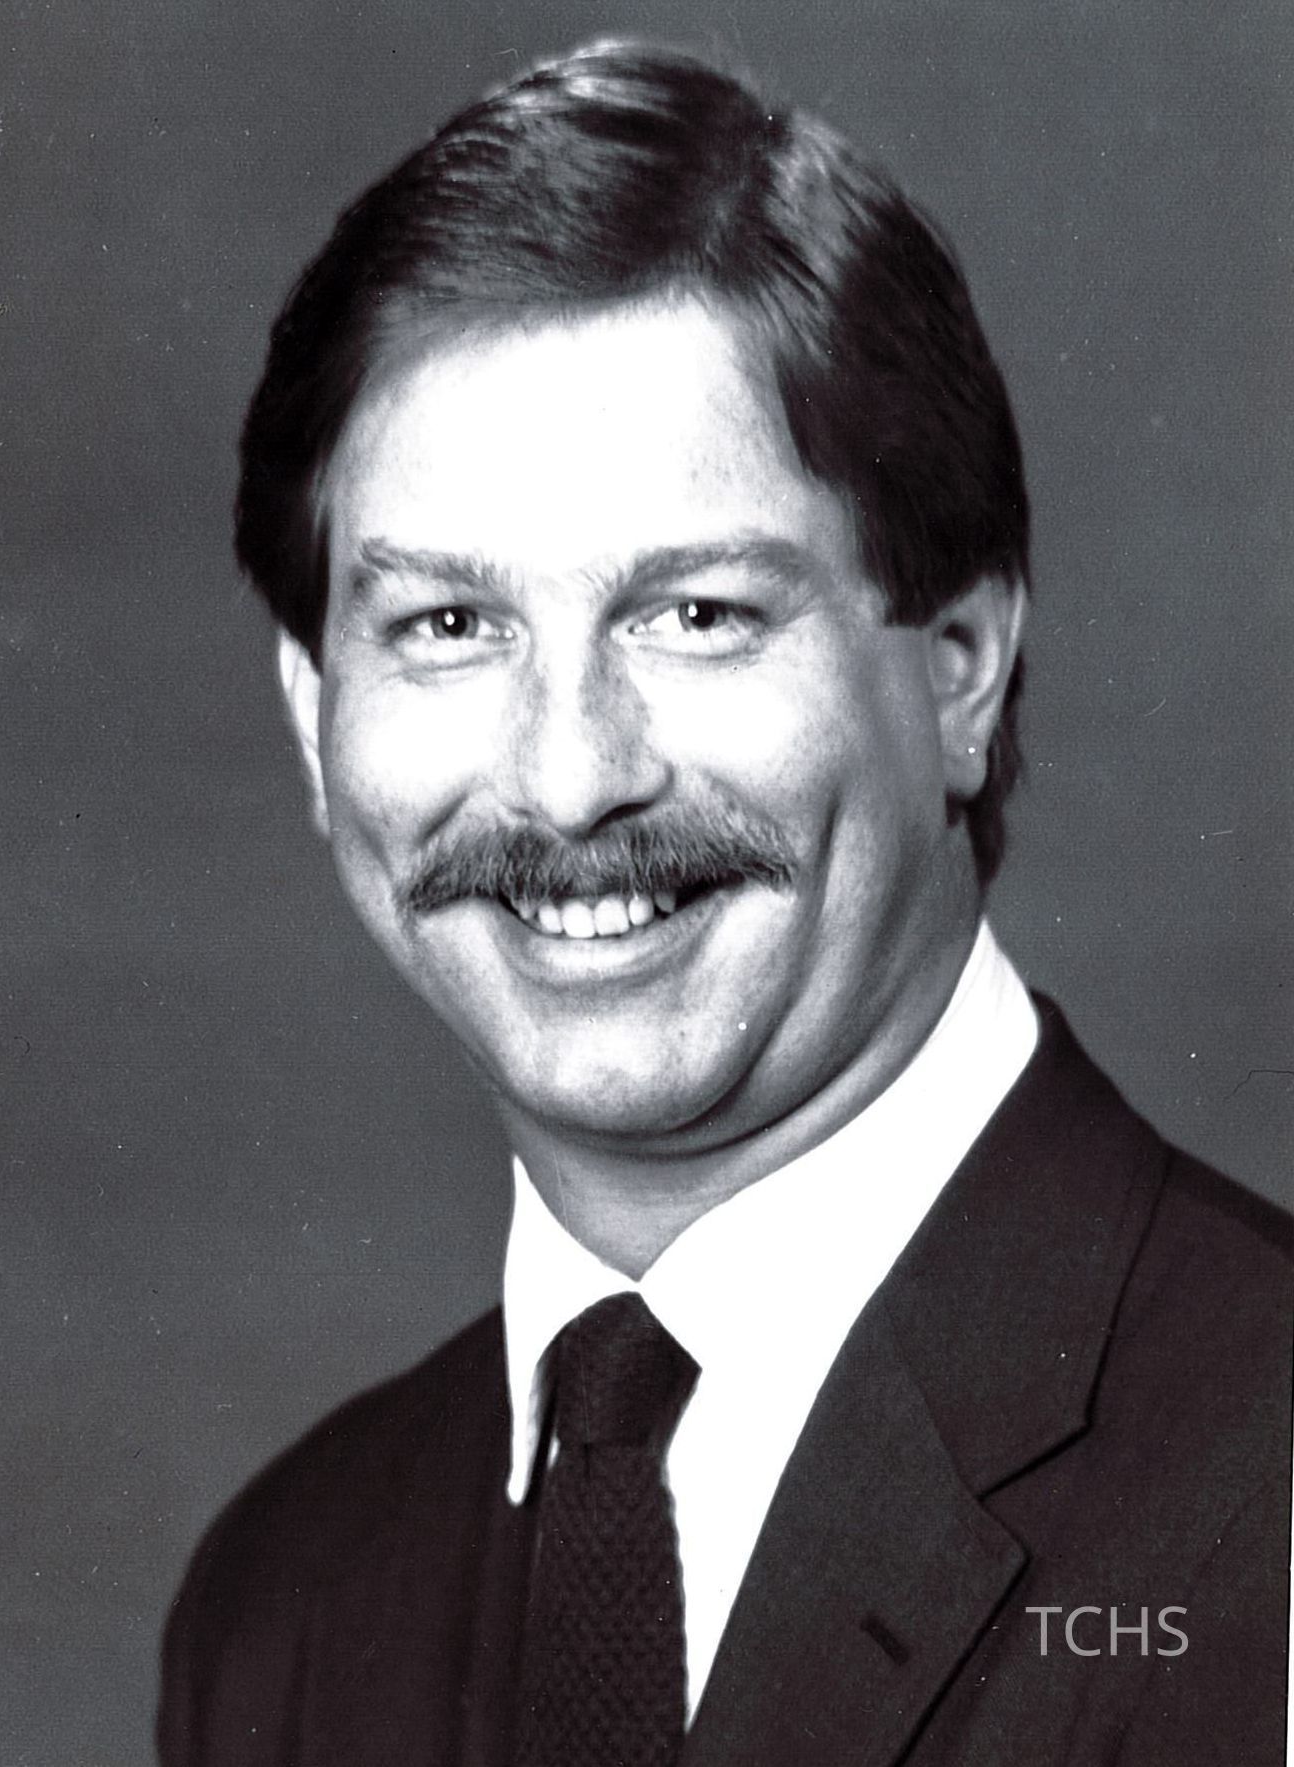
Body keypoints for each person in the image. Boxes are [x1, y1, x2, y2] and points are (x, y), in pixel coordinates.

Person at [156, 41, 1291, 1767]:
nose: (568, 781)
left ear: (962, 668)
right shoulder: (283, 1606)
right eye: (449, 627)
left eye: (696, 615)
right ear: (317, 721)